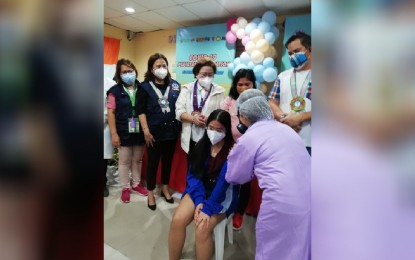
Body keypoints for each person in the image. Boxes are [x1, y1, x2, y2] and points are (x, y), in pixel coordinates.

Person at [226, 89, 311, 260]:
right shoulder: (286, 130)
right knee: (300, 248)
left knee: (272, 250)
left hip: (281, 204)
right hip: (311, 198)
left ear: (244, 116)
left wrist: (233, 155)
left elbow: (234, 177)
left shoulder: (249, 138)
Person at [168, 109, 239, 260]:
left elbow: (223, 185)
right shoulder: (201, 145)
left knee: (202, 228)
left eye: (219, 130)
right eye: (211, 128)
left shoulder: (233, 152)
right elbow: (193, 175)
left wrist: (207, 208)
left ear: (226, 131)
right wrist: (199, 200)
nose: (214, 133)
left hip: (221, 195)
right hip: (200, 188)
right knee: (178, 220)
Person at [137, 53, 181, 211]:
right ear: (151, 68)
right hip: (153, 134)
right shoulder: (144, 87)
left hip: (171, 132)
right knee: (153, 164)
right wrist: (146, 131)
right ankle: (150, 192)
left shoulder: (175, 85)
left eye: (164, 65)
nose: (162, 69)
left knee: (168, 162)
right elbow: (140, 111)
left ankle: (165, 188)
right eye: (158, 66)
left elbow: (180, 107)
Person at [107, 59, 148, 203]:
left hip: (139, 130)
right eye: (124, 72)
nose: (128, 74)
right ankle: (125, 187)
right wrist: (114, 133)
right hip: (123, 130)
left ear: (135, 71)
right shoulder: (113, 92)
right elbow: (111, 112)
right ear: (119, 74)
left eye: (130, 71)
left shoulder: (143, 89)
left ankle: (136, 184)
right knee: (124, 161)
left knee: (137, 160)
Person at [221, 68, 255, 230]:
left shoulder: (259, 101)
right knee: (229, 179)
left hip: (250, 148)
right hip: (230, 147)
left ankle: (239, 213)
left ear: (253, 84)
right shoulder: (229, 101)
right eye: (240, 84)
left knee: (245, 183)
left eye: (247, 84)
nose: (243, 87)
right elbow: (222, 120)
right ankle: (228, 207)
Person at [268, 31, 312, 155]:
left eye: (297, 51)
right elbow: (272, 102)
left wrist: (299, 117)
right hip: (285, 140)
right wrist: (284, 119)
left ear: (310, 50)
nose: (293, 56)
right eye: (290, 53)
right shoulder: (283, 76)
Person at [175, 57, 225, 160]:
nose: (207, 77)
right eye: (203, 74)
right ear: (197, 74)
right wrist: (193, 119)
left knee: (205, 167)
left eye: (210, 75)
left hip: (210, 136)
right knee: (191, 165)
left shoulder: (219, 91)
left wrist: (210, 120)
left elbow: (222, 113)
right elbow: (179, 111)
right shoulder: (187, 89)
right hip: (190, 137)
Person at [104, 77, 116, 197]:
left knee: (103, 159)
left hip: (105, 125)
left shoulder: (110, 84)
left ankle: (103, 184)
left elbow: (111, 107)